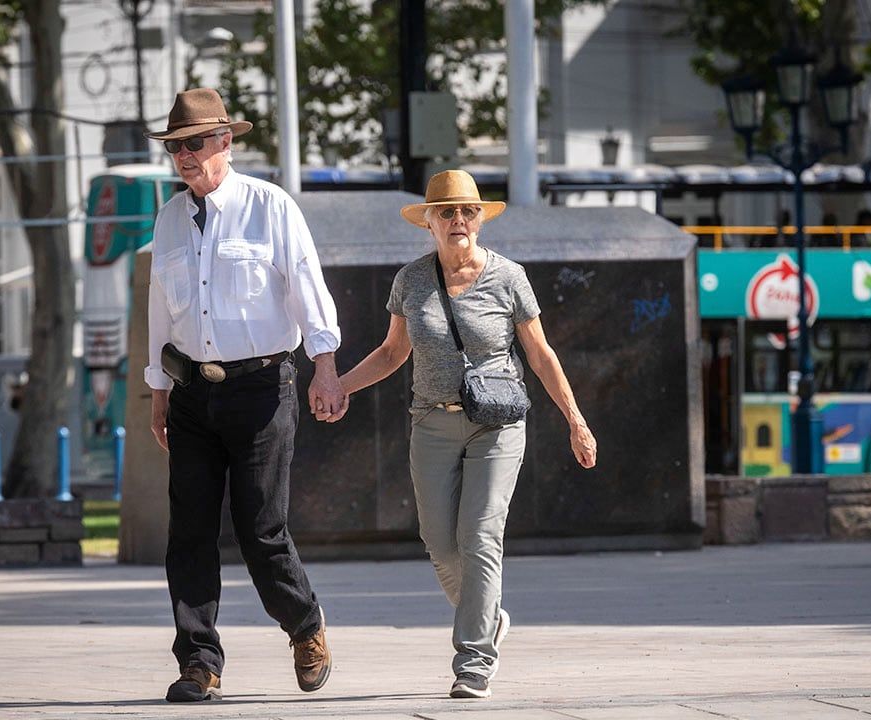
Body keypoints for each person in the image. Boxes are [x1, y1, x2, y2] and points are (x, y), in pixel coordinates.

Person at [338, 170, 598, 699]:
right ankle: (489, 617)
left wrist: (576, 420)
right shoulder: (411, 280)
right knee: (439, 544)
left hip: (497, 423)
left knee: (480, 536)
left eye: (468, 212)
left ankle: (474, 659)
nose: (459, 220)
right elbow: (393, 352)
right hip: (430, 421)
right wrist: (340, 386)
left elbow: (540, 355)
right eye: (448, 212)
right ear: (429, 221)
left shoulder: (508, 277)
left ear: (479, 220)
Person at [143, 88, 341, 703]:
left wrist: (325, 365)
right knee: (190, 532)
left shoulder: (269, 206)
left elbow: (308, 285)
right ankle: (199, 661)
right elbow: (159, 312)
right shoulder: (170, 217)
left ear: (226, 142)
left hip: (262, 388)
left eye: (195, 143)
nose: (184, 156)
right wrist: (157, 392)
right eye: (175, 146)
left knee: (261, 527)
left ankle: (304, 624)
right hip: (192, 395)